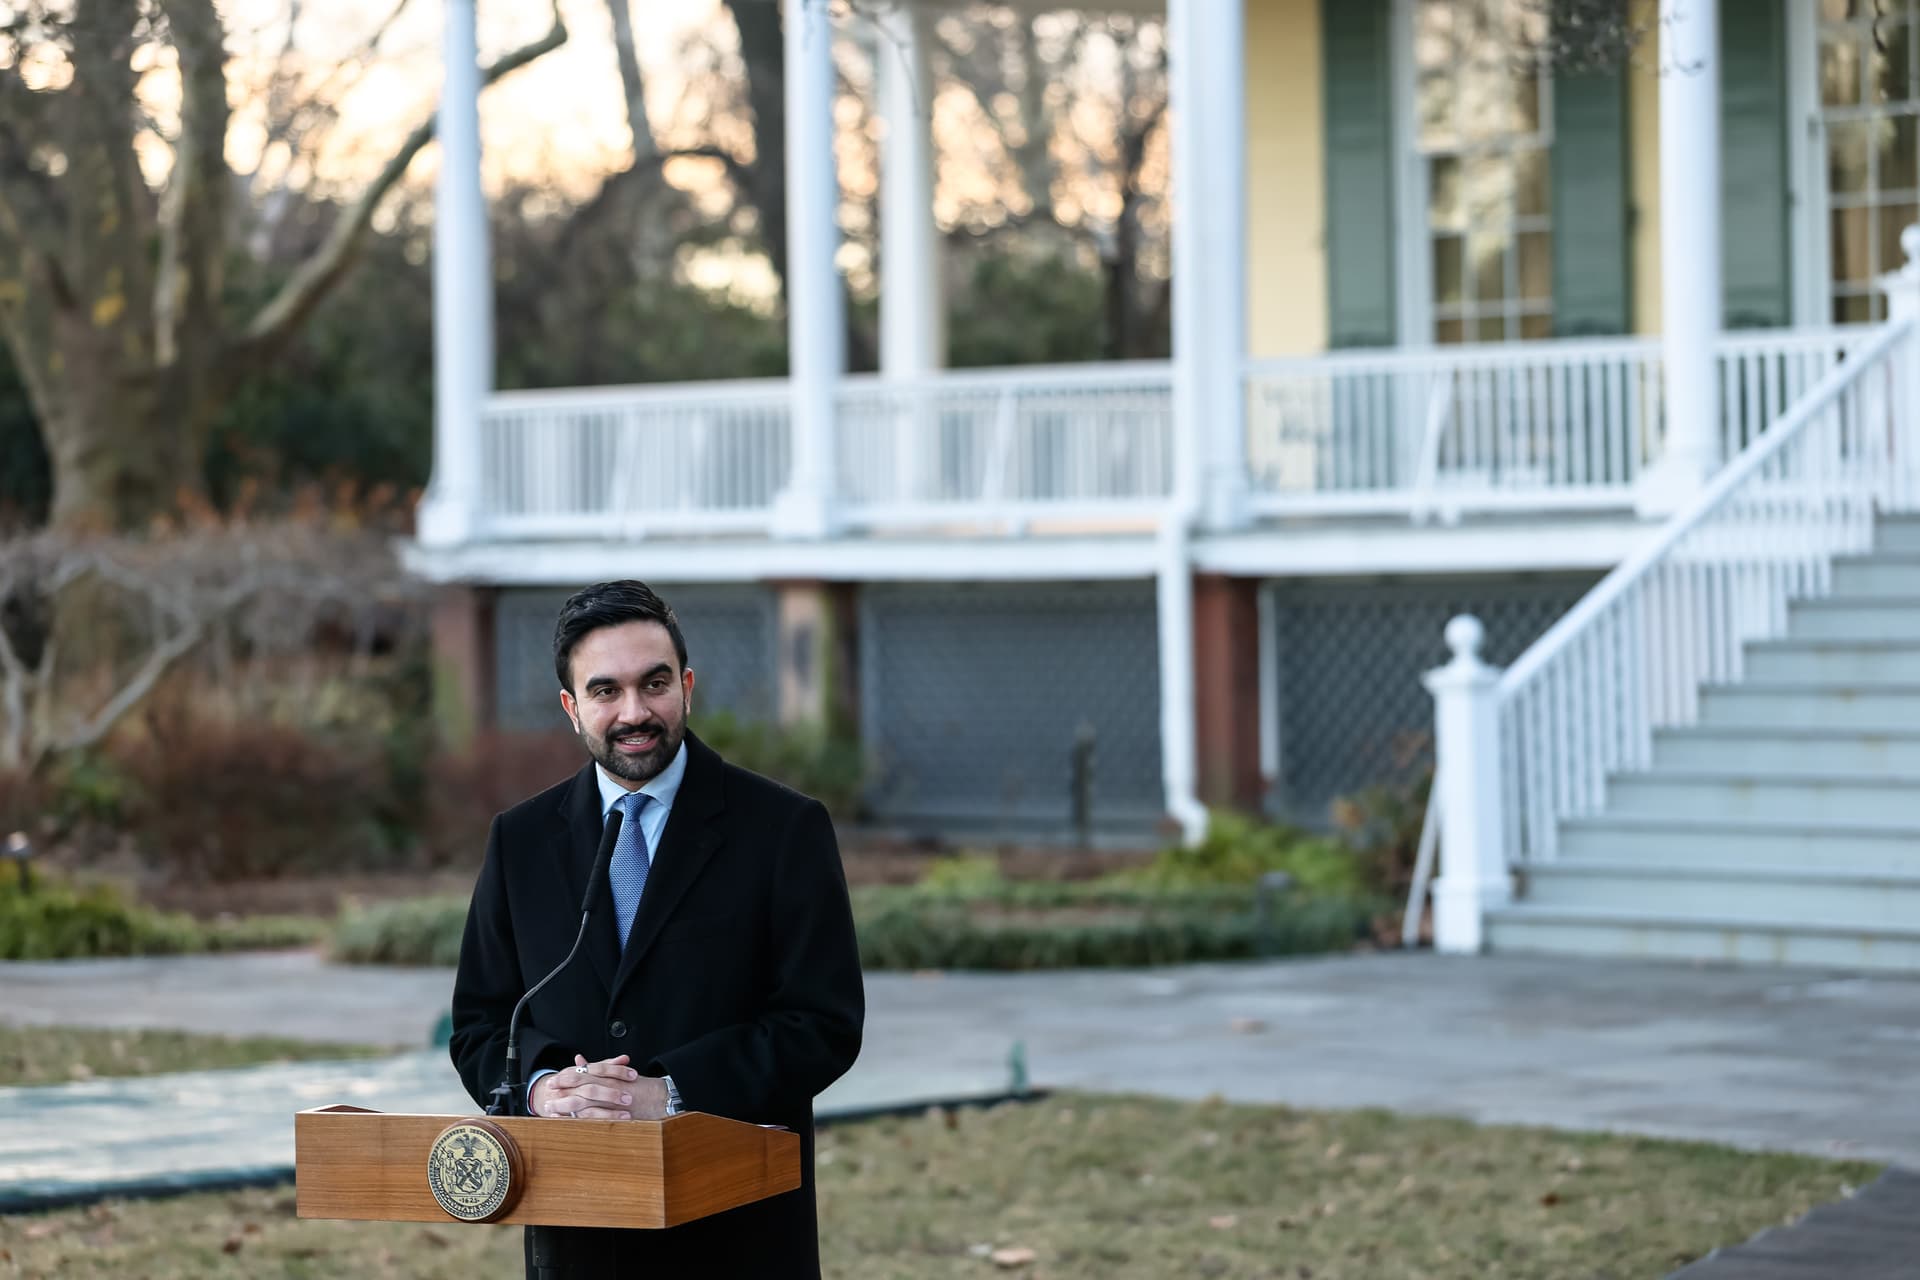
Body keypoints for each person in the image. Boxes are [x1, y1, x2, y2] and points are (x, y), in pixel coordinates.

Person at [449, 580, 864, 1278]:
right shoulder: (519, 841)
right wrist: (544, 1087)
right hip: (579, 1234)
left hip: (738, 1231)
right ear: (570, 707)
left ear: (688, 686)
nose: (634, 712)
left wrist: (668, 1093)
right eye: (606, 690)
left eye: (655, 683)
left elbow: (822, 1024)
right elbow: (482, 1025)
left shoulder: (784, 829)